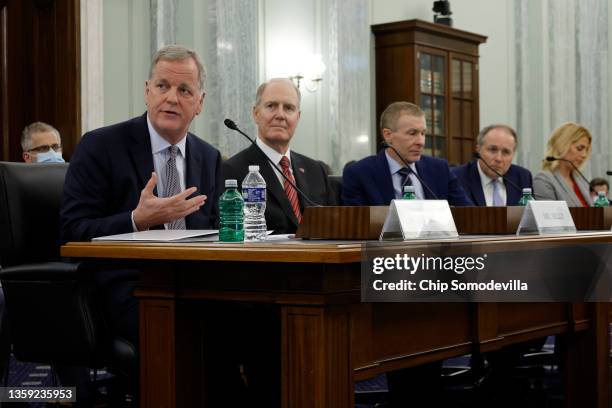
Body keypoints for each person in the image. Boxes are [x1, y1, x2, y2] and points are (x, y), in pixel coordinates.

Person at [60, 45, 223, 401]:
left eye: (184, 91)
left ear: (200, 102)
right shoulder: (101, 146)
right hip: (127, 285)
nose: (171, 98)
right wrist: (137, 220)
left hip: (197, 282)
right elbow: (73, 230)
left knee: (258, 322)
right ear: (147, 91)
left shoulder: (208, 157)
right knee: (189, 330)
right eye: (163, 86)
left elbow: (211, 228)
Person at [222, 78, 337, 234]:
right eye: (271, 106)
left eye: (289, 108)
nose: (280, 115)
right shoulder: (232, 171)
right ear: (256, 113)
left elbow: (334, 226)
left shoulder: (316, 170)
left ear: (298, 117)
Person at [342, 101, 472, 206]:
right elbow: (358, 224)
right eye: (412, 133)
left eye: (423, 133)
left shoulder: (439, 169)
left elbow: (469, 214)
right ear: (388, 135)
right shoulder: (359, 173)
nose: (421, 142)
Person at [451, 124, 532, 206]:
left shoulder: (523, 177)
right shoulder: (457, 177)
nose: (498, 159)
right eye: (492, 150)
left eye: (506, 152)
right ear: (478, 150)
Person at [533, 122, 593, 206]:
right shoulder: (544, 180)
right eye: (579, 148)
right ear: (562, 146)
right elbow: (550, 217)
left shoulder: (581, 180)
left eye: (586, 150)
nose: (584, 155)